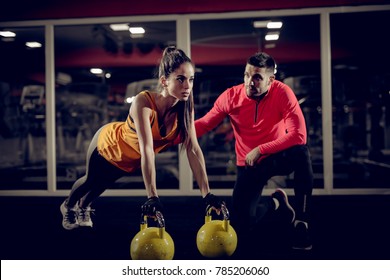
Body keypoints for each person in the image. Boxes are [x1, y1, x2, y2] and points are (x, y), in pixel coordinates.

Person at [60, 46, 223, 230]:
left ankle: (84, 206)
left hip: (129, 160)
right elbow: (147, 149)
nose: (187, 86)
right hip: (108, 144)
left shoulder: (185, 109)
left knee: (102, 184)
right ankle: (69, 205)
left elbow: (193, 149)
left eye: (191, 79)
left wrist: (206, 194)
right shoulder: (143, 102)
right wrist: (152, 196)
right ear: (164, 81)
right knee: (90, 180)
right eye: (180, 79)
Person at [195, 52, 314, 252]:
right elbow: (205, 124)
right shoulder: (231, 96)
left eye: (257, 77)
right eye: (247, 75)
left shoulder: (282, 93)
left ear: (271, 80)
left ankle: (301, 222)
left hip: (276, 156)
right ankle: (276, 205)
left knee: (301, 153)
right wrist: (172, 134)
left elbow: (299, 136)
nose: (250, 82)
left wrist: (261, 149)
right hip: (249, 164)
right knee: (242, 227)